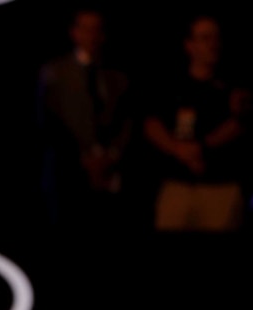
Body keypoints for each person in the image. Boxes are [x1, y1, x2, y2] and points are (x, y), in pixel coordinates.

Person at [140, 14, 251, 232]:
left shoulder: (232, 86)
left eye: (216, 38)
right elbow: (151, 123)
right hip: (177, 186)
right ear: (190, 45)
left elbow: (238, 124)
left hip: (221, 188)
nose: (213, 44)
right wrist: (178, 149)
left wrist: (202, 148)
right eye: (205, 38)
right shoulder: (171, 85)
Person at [36, 7, 132, 230]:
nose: (91, 36)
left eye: (96, 30)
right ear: (74, 32)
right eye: (85, 29)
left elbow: (126, 121)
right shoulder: (54, 73)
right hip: (68, 174)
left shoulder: (116, 76)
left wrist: (111, 155)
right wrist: (82, 157)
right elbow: (49, 121)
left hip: (110, 171)